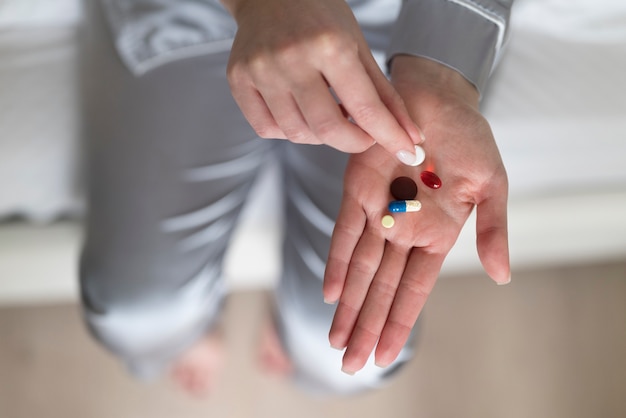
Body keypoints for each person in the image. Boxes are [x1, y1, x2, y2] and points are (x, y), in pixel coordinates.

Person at [79, 0, 512, 397]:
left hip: (397, 33)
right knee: (134, 314)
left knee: (342, 355)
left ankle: (289, 334)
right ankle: (188, 335)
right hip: (196, 19)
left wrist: (439, 77)